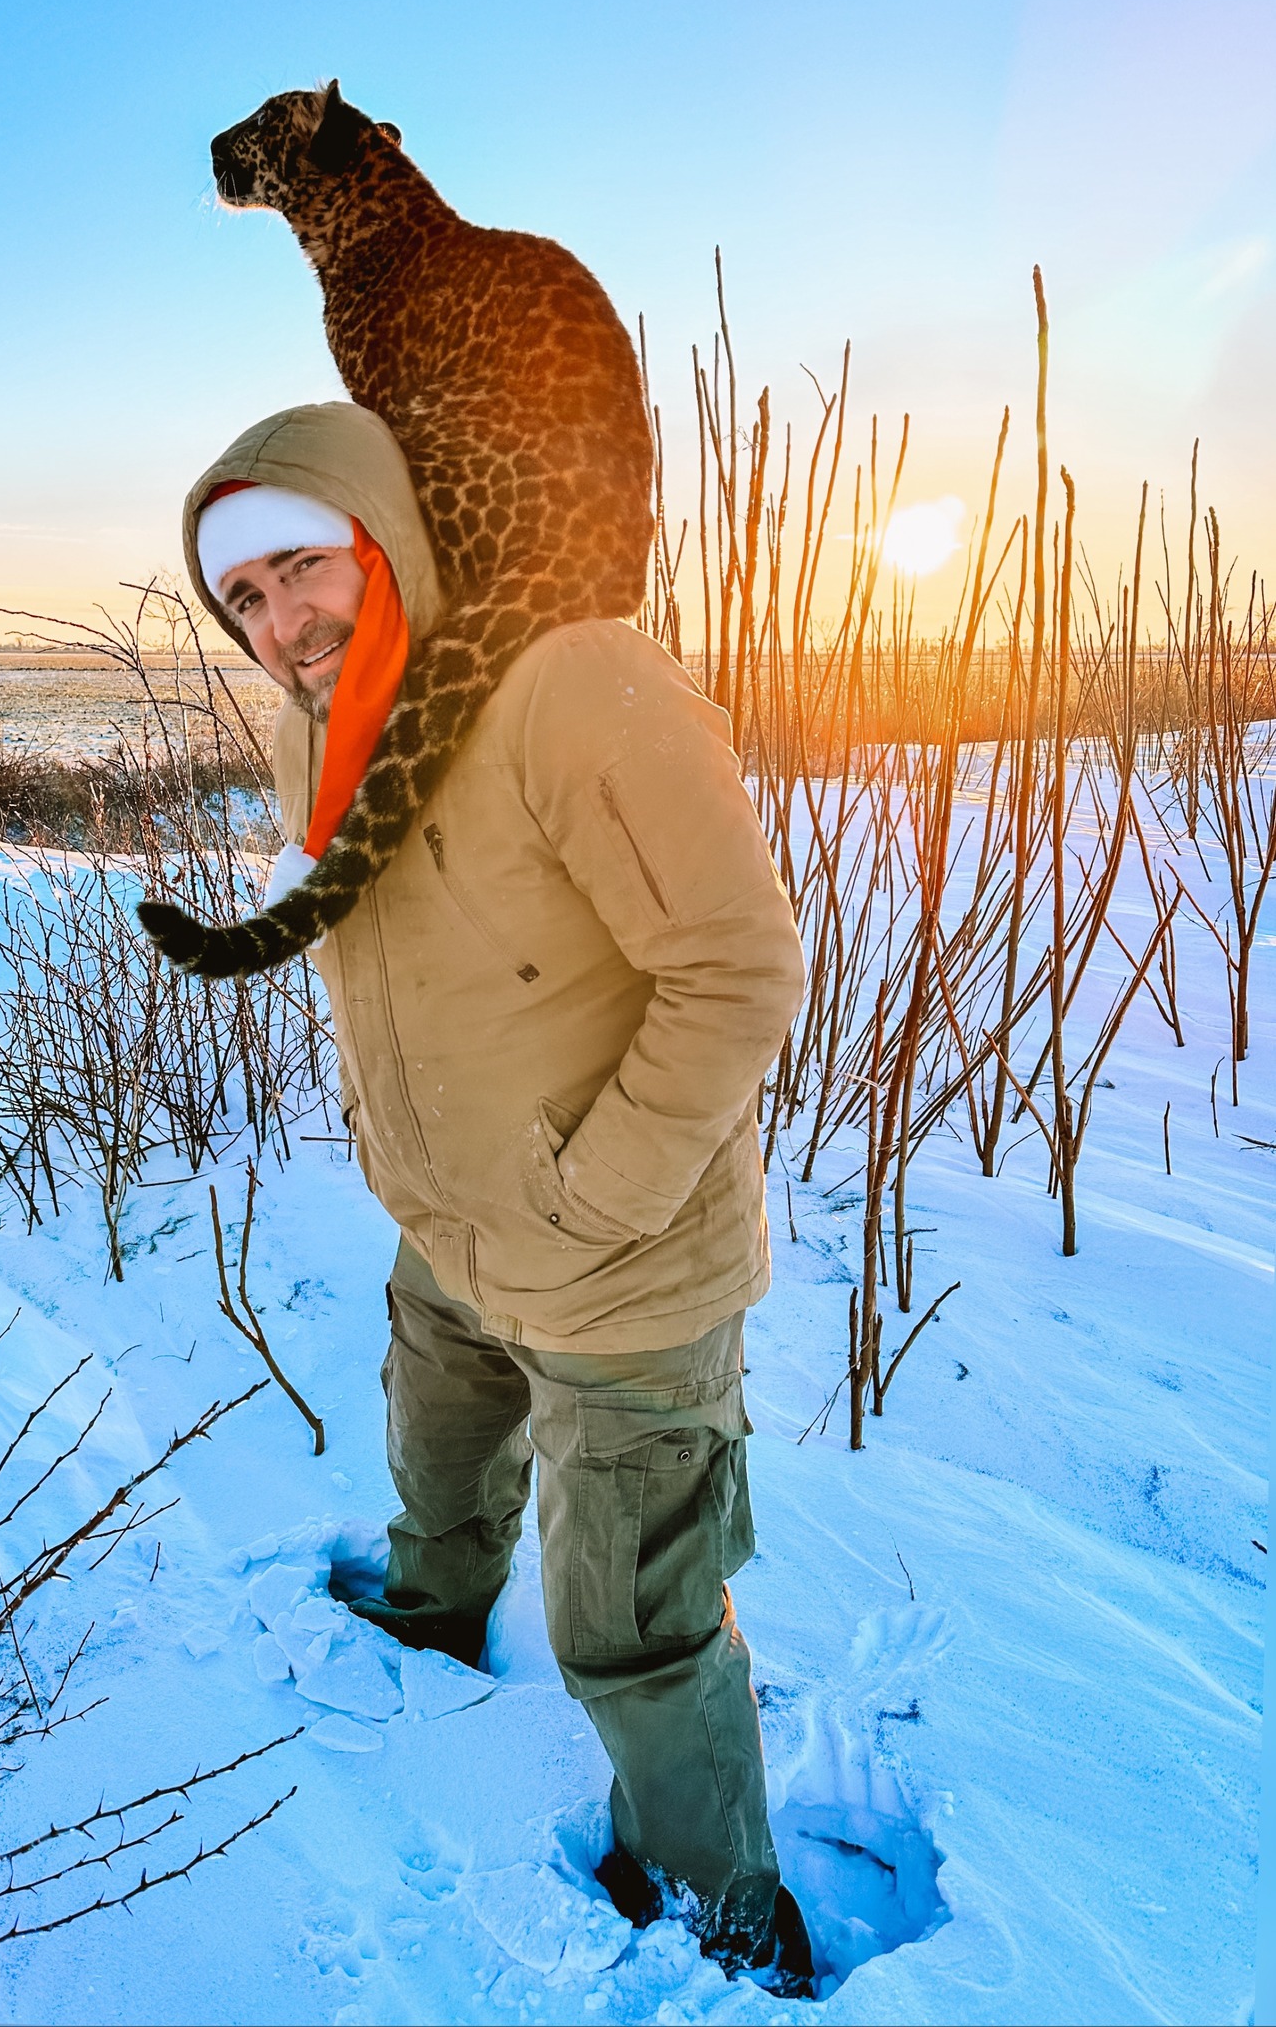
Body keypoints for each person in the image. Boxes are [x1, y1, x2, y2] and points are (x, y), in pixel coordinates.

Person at [179, 401, 812, 1993]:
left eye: (298, 569)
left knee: (634, 1612)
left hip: (621, 1259)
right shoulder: (319, 723)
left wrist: (589, 1195)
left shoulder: (567, 680)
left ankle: (714, 1908)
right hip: (450, 1223)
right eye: (243, 601)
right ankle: (426, 1624)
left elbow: (736, 969)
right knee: (439, 1457)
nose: (278, 625)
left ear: (387, 530)